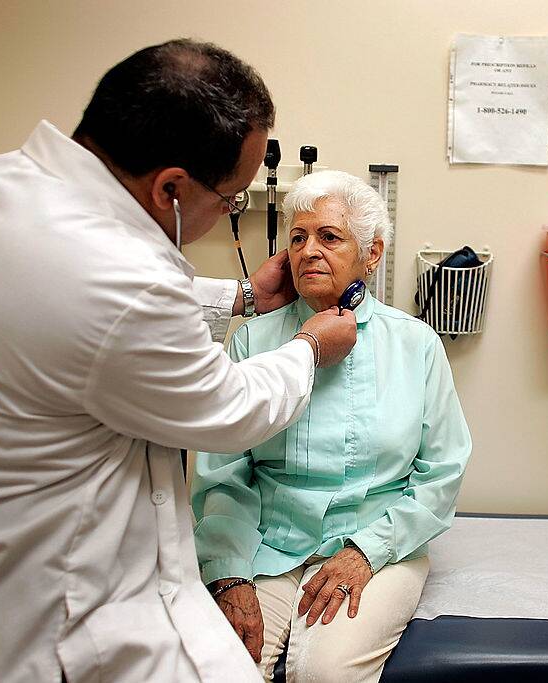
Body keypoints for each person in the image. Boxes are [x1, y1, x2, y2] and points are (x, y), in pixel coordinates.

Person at [0, 40, 357, 683]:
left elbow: (59, 306)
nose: (232, 211)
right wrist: (310, 348)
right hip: (49, 621)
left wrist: (239, 297)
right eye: (232, 199)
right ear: (170, 188)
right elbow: (229, 408)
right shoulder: (125, 282)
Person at [191, 170, 472, 682]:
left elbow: (442, 473)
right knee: (218, 667)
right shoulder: (253, 341)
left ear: (373, 254)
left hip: (378, 545)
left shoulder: (415, 344)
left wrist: (367, 553)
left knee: (326, 672)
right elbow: (224, 474)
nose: (309, 250)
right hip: (264, 544)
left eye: (329, 236)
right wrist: (228, 573)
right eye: (298, 237)